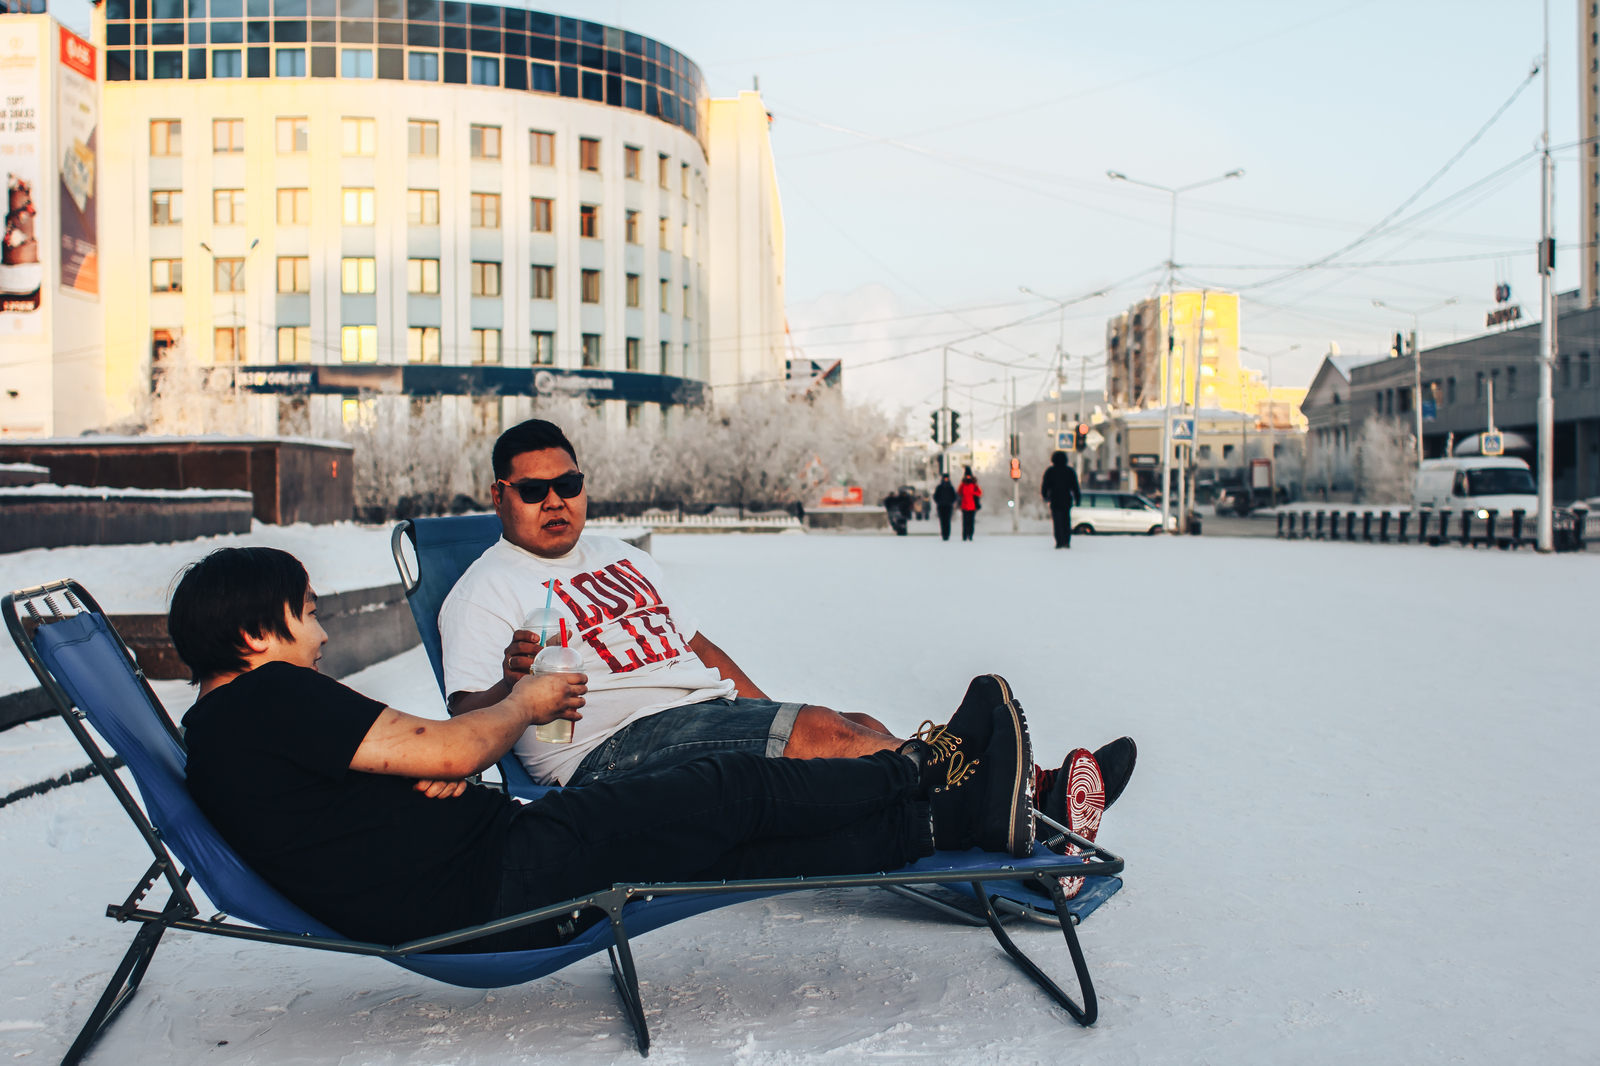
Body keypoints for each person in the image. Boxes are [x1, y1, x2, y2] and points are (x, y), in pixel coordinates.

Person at [172, 546, 1050, 952]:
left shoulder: (226, 730)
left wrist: (425, 773)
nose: (321, 632)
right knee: (729, 791)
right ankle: (924, 769)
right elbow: (444, 750)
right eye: (308, 610)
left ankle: (943, 821)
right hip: (496, 882)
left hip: (469, 881)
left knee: (731, 842)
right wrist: (518, 707)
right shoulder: (265, 696)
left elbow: (403, 767)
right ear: (256, 628)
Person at [440, 420, 1134, 857]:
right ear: (500, 495)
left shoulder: (620, 553)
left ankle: (1010, 797)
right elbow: (465, 728)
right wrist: (513, 687)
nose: (556, 501)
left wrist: (777, 719)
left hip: (695, 714)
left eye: (569, 483)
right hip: (609, 752)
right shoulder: (485, 591)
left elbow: (701, 651)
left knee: (850, 726)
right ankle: (1023, 800)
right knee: (827, 732)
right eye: (535, 491)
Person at [1041, 451, 1082, 550]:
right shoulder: (1069, 471)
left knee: (1057, 521)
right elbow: (1075, 487)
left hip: (1055, 500)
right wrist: (1078, 499)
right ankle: (1066, 541)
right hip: (1066, 500)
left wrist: (1045, 496)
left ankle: (1059, 541)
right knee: (1066, 520)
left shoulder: (1050, 471)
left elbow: (1045, 486)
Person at [957, 467, 982, 541]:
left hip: (972, 506)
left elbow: (979, 493)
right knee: (965, 522)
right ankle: (965, 535)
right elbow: (959, 493)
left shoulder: (974, 485)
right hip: (965, 506)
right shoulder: (963, 485)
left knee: (971, 522)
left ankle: (970, 535)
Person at [932, 473, 957, 541]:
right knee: (942, 521)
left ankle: (947, 534)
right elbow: (935, 496)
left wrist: (951, 502)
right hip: (941, 506)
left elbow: (954, 496)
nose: (946, 479)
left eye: (947, 478)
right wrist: (938, 502)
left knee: (947, 521)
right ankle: (943, 534)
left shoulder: (950, 487)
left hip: (948, 506)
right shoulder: (939, 487)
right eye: (945, 478)